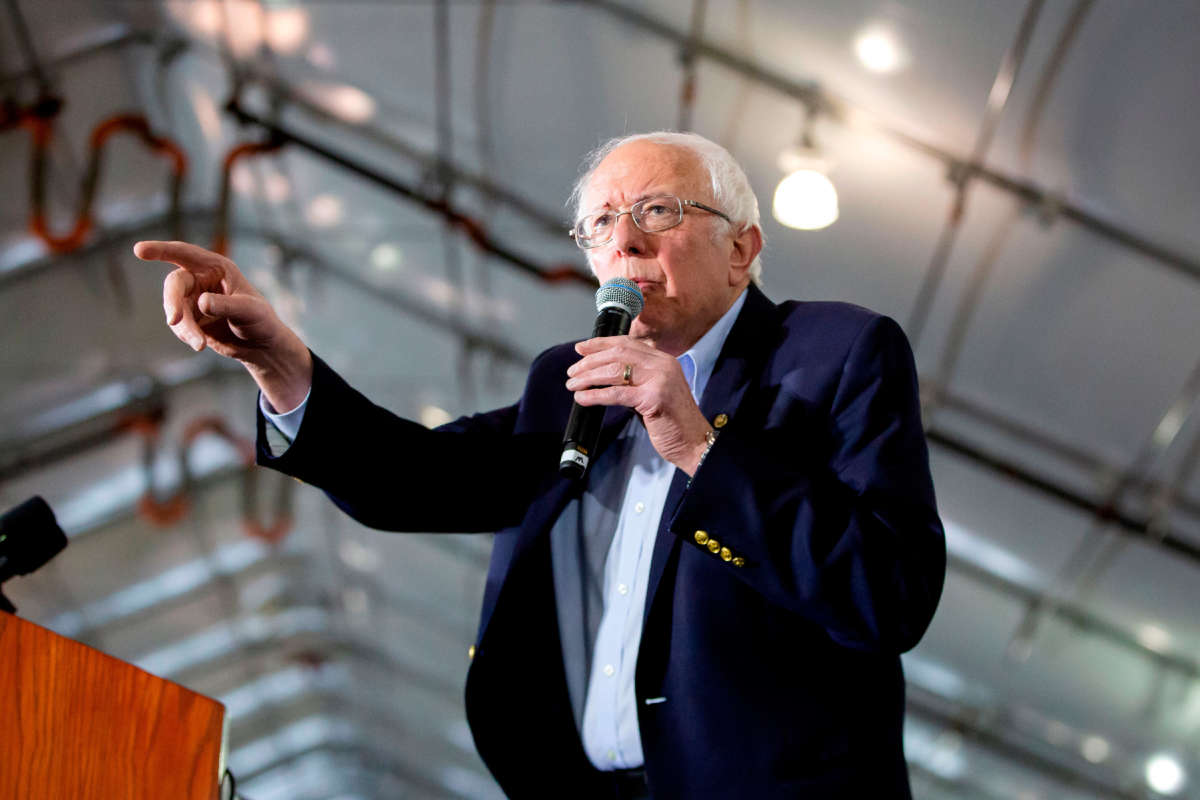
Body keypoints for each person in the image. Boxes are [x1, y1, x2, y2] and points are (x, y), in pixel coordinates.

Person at [136, 131, 945, 799]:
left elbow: (891, 595)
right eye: (600, 225)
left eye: (657, 211)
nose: (623, 238)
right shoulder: (571, 380)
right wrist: (279, 361)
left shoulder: (835, 355)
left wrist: (697, 444)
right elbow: (414, 475)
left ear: (743, 249)